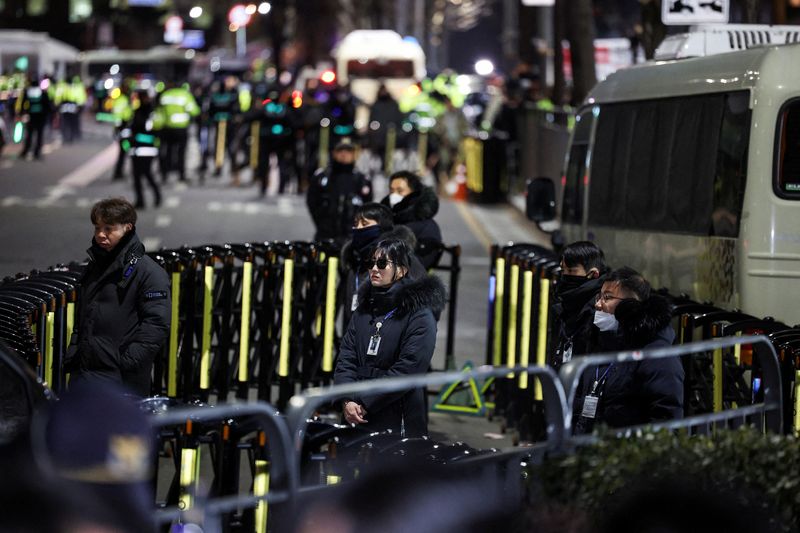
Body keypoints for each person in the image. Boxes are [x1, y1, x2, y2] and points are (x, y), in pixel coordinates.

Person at [334, 238, 446, 437]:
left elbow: (408, 369)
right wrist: (347, 399)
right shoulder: (365, 308)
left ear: (402, 270)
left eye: (382, 263)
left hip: (398, 419)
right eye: (371, 263)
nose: (374, 269)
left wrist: (366, 402)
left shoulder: (419, 314)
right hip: (355, 414)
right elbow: (346, 357)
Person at [64, 198, 170, 396]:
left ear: (127, 228)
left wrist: (127, 362)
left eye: (108, 229)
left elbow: (157, 324)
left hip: (121, 380)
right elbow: (84, 315)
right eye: (97, 228)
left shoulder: (149, 272)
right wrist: (75, 352)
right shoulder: (96, 265)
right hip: (86, 374)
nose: (100, 235)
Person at [573, 267, 684, 434]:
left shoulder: (656, 353)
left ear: (631, 305)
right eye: (599, 297)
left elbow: (665, 419)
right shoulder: (601, 342)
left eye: (607, 297)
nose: (598, 304)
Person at [340, 202, 426, 328]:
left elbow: (423, 304)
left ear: (381, 227)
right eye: (355, 224)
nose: (358, 228)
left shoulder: (402, 258)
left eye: (364, 224)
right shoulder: (355, 259)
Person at [551, 241, 608, 369]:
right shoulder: (565, 305)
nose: (565, 276)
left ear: (593, 274)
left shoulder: (600, 311)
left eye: (571, 270)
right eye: (563, 270)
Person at [306, 140, 372, 245]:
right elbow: (312, 201)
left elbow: (368, 207)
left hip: (352, 236)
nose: (344, 154)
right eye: (340, 150)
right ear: (334, 153)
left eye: (348, 151)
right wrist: (321, 223)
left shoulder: (362, 180)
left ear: (354, 155)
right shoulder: (321, 177)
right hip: (324, 235)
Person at [381, 170, 443, 269]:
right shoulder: (384, 219)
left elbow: (421, 264)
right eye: (392, 191)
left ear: (414, 193)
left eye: (400, 191)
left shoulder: (426, 226)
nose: (394, 195)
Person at [155, 80, 200, 183]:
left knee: (167, 151)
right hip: (181, 128)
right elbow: (194, 111)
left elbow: (159, 112)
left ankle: (165, 175)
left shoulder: (165, 95)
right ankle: (181, 175)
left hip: (167, 128)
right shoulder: (184, 95)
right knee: (181, 152)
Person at [129, 90, 162, 209]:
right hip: (136, 149)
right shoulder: (136, 111)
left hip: (148, 149)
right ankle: (140, 200)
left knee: (147, 174)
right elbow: (132, 128)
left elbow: (154, 132)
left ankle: (157, 196)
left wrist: (137, 137)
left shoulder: (152, 113)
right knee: (136, 177)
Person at [17, 75, 51, 160]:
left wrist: (21, 113)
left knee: (29, 135)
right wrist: (47, 116)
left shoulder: (27, 91)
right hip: (40, 117)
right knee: (39, 135)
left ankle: (25, 151)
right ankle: (37, 153)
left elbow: (22, 104)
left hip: (30, 116)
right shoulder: (43, 92)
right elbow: (47, 106)